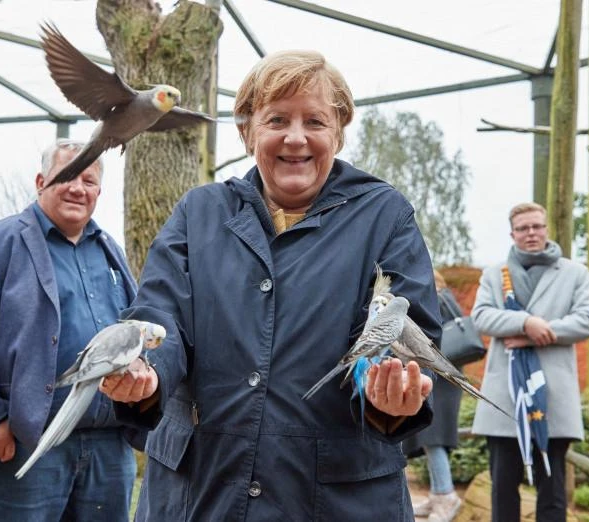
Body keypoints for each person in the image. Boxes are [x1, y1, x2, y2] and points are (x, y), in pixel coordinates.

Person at [99, 50, 441, 521]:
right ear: (247, 132)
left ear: (338, 133)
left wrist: (387, 389)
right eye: (276, 119)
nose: (295, 137)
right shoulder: (200, 213)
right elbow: (160, 313)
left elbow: (403, 326)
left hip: (334, 501)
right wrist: (145, 368)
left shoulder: (384, 216)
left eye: (315, 121)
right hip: (203, 492)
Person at [0, 140, 140, 521]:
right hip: (27, 442)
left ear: (99, 192)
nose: (77, 188)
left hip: (109, 444)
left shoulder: (109, 251)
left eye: (89, 181)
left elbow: (131, 327)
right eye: (67, 176)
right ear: (41, 181)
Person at [471, 202, 589, 522]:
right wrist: (525, 322)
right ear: (512, 234)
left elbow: (587, 321)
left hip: (552, 399)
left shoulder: (575, 273)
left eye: (537, 226)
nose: (531, 233)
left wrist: (540, 333)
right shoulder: (494, 274)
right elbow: (481, 316)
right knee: (502, 489)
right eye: (523, 228)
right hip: (506, 399)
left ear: (546, 229)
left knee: (552, 491)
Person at [404, 270, 465, 522]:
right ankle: (437, 494)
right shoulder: (447, 299)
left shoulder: (438, 300)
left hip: (442, 382)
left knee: (434, 438)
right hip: (444, 379)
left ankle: (446, 496)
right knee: (431, 439)